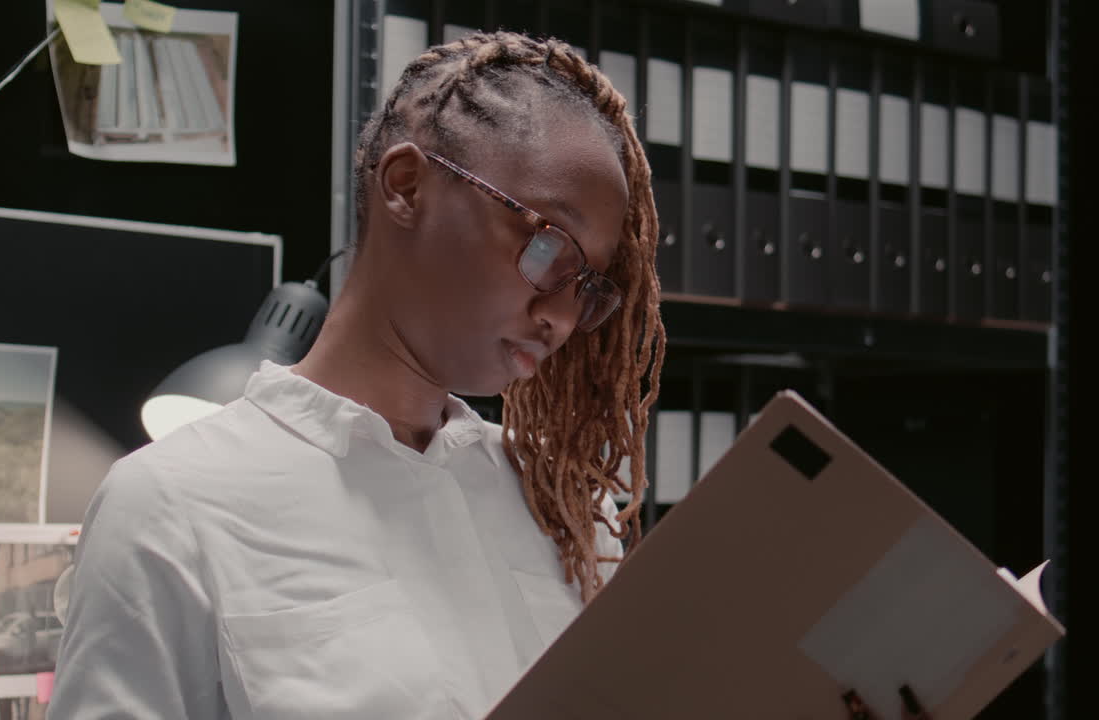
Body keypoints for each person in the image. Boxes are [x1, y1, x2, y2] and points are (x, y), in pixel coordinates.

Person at [49, 30, 665, 719]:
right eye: (549, 246)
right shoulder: (172, 506)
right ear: (406, 187)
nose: (559, 314)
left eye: (586, 285)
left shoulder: (568, 508)